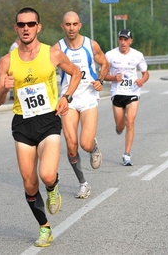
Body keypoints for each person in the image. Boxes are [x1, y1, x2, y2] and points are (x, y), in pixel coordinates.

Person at [0, 7, 81, 247]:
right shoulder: (6, 61)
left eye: (31, 24)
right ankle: (44, 227)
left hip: (48, 119)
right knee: (29, 183)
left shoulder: (52, 53)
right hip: (22, 122)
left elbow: (76, 73)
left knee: (47, 175)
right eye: (21, 25)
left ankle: (53, 187)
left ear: (38, 27)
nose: (26, 28)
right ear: (16, 28)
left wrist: (67, 97)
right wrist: (3, 88)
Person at [53, 11, 109, 199]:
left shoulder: (90, 45)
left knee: (84, 143)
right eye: (67, 24)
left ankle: (93, 147)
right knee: (71, 145)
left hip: (88, 97)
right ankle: (83, 183)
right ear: (62, 26)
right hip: (68, 98)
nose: (71, 28)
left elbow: (105, 63)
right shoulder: (57, 49)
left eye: (74, 24)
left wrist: (100, 79)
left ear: (80, 26)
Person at [104, 29, 149, 166]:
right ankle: (119, 126)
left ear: (131, 41)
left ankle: (127, 154)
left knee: (130, 121)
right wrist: (113, 77)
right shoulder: (110, 55)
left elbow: (145, 73)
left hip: (133, 92)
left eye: (126, 39)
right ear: (118, 40)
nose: (123, 42)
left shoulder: (137, 55)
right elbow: (103, 75)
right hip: (117, 92)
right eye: (121, 39)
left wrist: (142, 80)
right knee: (120, 124)